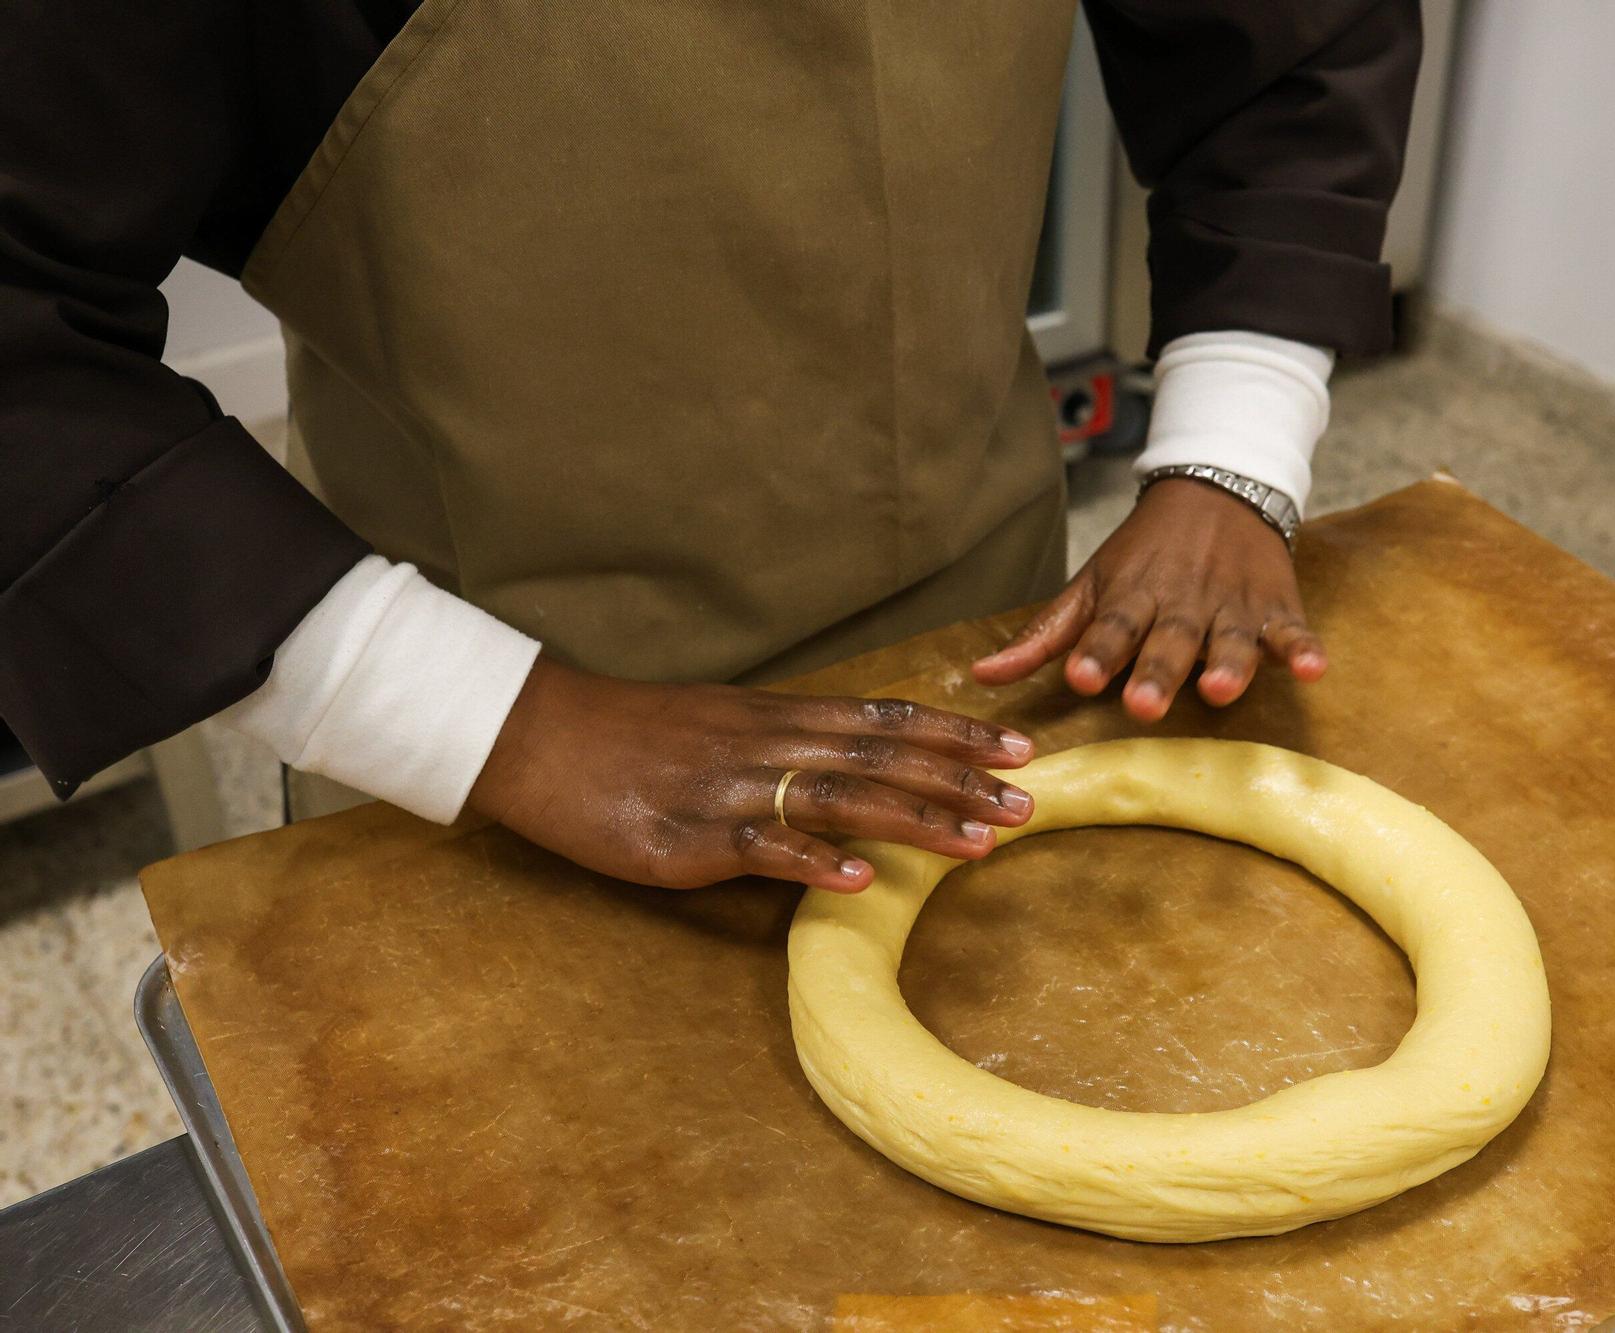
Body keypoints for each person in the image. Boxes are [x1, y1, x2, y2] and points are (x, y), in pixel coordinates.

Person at [1, 1, 1421, 893]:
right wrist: (493, 719)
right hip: (489, 745)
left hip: (997, 652)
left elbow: (1291, 45)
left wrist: (1232, 441)